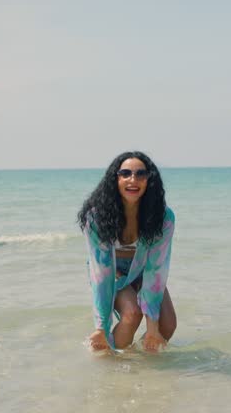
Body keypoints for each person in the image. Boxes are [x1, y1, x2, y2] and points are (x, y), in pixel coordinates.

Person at [77, 151, 176, 353]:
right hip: (113, 271)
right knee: (131, 314)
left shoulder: (163, 217)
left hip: (144, 269)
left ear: (150, 180)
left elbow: (155, 269)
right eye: (125, 173)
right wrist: (101, 327)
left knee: (167, 324)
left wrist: (152, 329)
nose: (133, 180)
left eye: (141, 174)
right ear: (116, 178)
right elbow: (101, 272)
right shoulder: (96, 218)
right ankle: (110, 361)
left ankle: (137, 359)